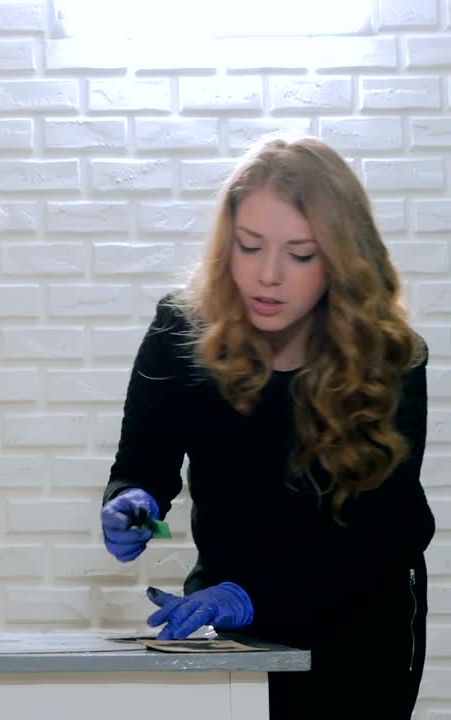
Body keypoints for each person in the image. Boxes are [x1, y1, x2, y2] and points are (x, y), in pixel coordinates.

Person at [99, 136, 433, 716]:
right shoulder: (180, 331)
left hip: (360, 627)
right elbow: (143, 466)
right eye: (249, 247)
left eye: (301, 254)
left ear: (340, 259)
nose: (268, 275)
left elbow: (389, 532)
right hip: (232, 624)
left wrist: (256, 597)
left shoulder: (388, 356)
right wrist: (131, 501)